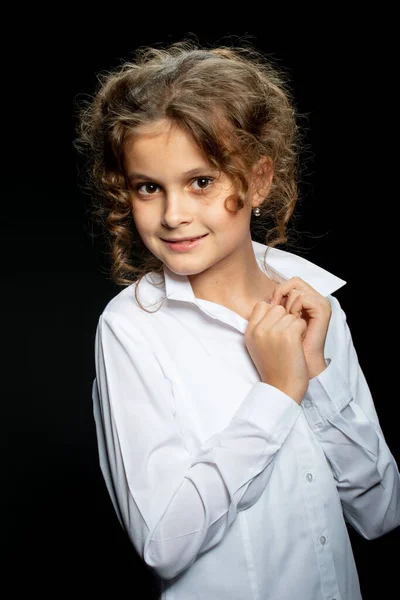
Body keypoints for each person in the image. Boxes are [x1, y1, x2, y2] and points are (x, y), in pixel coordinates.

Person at [75, 40, 400, 600]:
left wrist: (315, 372)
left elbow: (380, 512)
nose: (174, 215)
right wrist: (276, 393)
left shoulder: (316, 304)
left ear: (258, 181)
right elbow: (162, 542)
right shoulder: (133, 328)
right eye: (149, 188)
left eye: (201, 181)